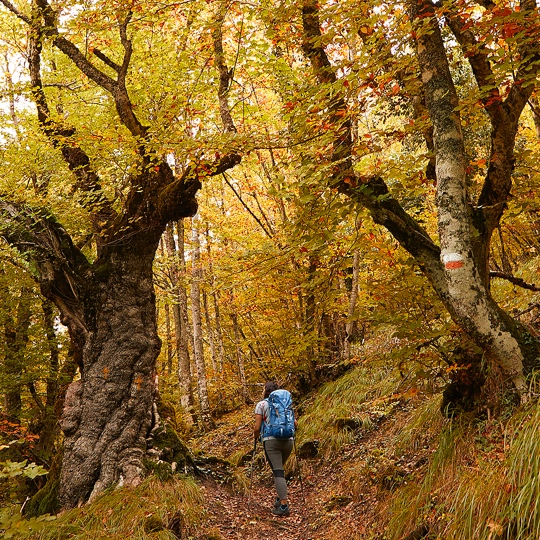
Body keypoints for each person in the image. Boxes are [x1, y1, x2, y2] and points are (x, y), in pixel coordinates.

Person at [253, 381, 297, 517]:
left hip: (271, 441)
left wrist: (255, 438)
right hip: (288, 441)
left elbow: (257, 427)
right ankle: (279, 498)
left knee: (278, 472)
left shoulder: (261, 405)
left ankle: (283, 506)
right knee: (279, 470)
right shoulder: (285, 404)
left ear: (266, 390)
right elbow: (295, 423)